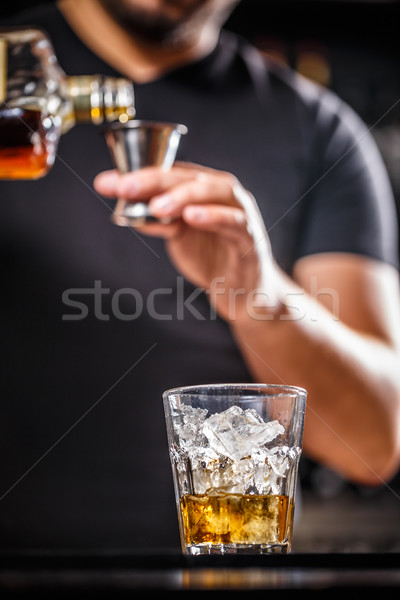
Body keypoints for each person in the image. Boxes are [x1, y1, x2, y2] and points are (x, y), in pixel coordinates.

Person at [0, 0, 399, 550]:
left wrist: (257, 293)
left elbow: (374, 444)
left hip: (229, 570)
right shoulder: (7, 68)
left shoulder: (322, 131)